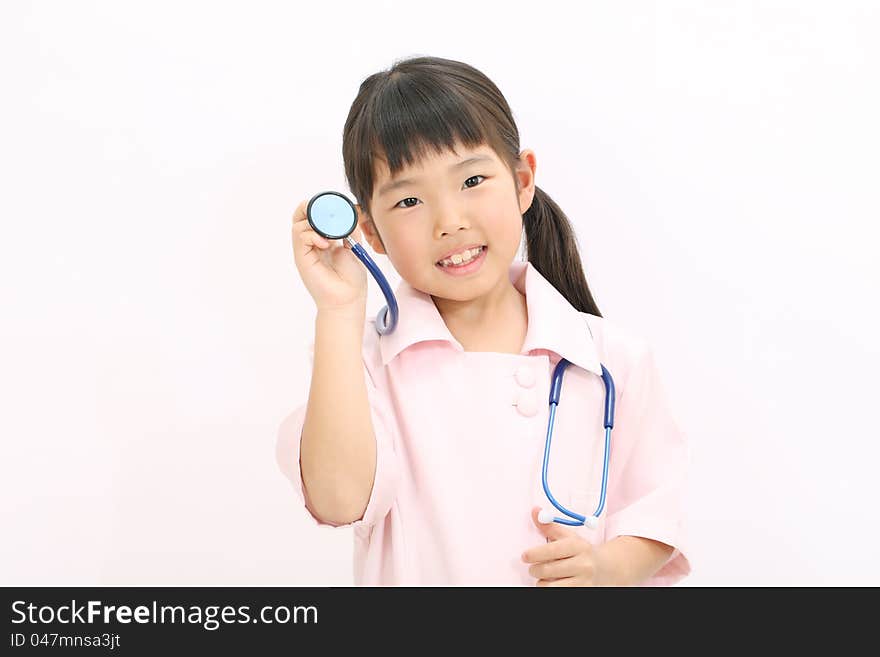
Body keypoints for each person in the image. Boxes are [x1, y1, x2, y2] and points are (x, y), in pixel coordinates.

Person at [277, 55, 691, 586]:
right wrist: (337, 310)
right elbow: (338, 500)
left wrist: (606, 567)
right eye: (408, 199)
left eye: (472, 179)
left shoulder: (613, 360)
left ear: (523, 181)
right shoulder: (361, 361)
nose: (450, 222)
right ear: (371, 233)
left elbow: (656, 514)